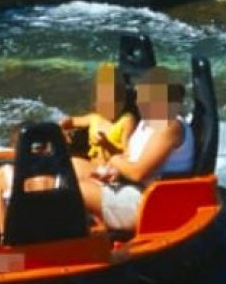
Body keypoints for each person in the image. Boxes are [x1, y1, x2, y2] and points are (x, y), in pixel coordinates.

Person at [78, 66, 195, 231]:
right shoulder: (147, 123)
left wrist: (115, 160)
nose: (139, 102)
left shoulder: (170, 125)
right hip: (135, 188)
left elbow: (138, 172)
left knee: (73, 189)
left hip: (152, 203)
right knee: (72, 166)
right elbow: (131, 158)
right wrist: (114, 172)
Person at [59, 62, 137, 183]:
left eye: (114, 102)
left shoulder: (126, 121)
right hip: (93, 166)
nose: (109, 107)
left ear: (122, 100)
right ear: (95, 102)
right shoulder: (94, 118)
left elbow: (126, 154)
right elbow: (73, 121)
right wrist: (63, 126)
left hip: (111, 172)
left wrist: (106, 144)